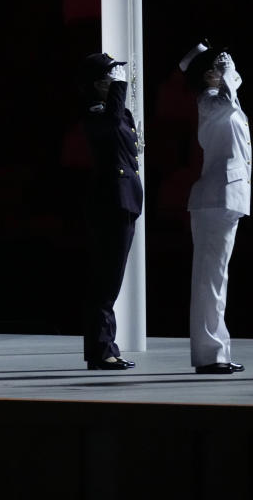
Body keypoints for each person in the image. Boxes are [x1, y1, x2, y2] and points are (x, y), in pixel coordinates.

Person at [179, 40, 249, 375]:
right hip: (214, 199)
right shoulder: (208, 101)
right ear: (207, 75)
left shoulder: (219, 99)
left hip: (226, 197)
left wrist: (229, 74)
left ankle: (218, 351)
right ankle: (209, 355)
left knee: (217, 280)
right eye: (216, 69)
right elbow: (227, 102)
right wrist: (229, 73)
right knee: (209, 281)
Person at [80, 53, 143, 370]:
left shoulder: (121, 113)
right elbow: (111, 122)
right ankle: (101, 349)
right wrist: (118, 88)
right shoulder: (96, 112)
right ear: (98, 84)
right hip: (111, 202)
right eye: (110, 78)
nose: (118, 83)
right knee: (105, 282)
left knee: (109, 281)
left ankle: (105, 347)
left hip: (125, 200)